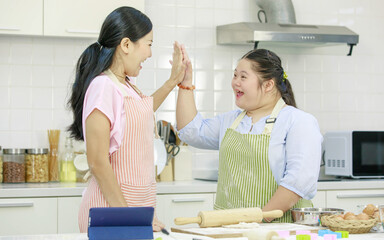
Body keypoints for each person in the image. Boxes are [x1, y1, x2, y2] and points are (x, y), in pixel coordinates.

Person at [67, 7, 186, 232]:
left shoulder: (125, 85)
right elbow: (97, 162)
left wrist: (172, 82)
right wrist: (130, 217)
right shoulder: (104, 87)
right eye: (149, 44)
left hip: (134, 209)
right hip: (112, 212)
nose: (150, 53)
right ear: (126, 45)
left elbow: (143, 111)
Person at [176, 48, 322, 222]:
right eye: (235, 75)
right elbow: (190, 131)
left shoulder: (298, 121)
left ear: (268, 85)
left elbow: (299, 181)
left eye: (243, 77)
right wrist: (185, 82)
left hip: (277, 230)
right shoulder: (231, 120)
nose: (235, 82)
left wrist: (258, 220)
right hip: (231, 227)